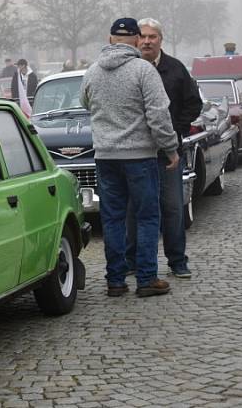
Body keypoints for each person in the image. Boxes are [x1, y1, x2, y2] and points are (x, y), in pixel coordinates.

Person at [80, 17, 178, 298]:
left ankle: (115, 280)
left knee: (112, 219)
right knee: (147, 217)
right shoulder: (143, 71)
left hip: (105, 156)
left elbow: (85, 103)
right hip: (139, 156)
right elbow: (159, 115)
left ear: (110, 39)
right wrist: (169, 148)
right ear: (136, 39)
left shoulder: (92, 71)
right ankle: (146, 279)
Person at [125, 18, 202, 279]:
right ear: (136, 39)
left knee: (172, 207)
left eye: (152, 37)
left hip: (167, 153)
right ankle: (132, 262)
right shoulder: (129, 68)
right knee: (134, 209)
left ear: (160, 40)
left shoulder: (176, 69)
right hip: (135, 152)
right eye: (143, 36)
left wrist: (175, 129)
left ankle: (177, 261)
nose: (147, 41)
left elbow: (194, 104)